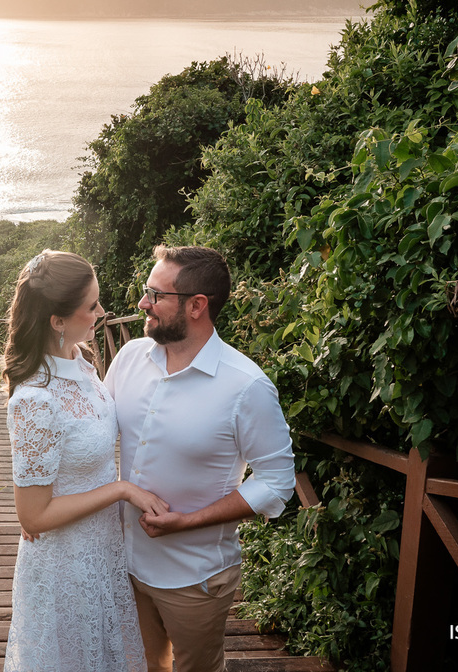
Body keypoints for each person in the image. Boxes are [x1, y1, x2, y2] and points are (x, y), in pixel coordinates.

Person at [106, 245, 296, 672]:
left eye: (155, 295)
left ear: (196, 305)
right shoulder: (130, 356)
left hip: (195, 578)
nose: (142, 304)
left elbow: (278, 479)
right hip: (124, 563)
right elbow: (93, 436)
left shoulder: (246, 387)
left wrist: (187, 521)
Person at [2, 249, 166, 672]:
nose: (102, 312)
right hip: (63, 565)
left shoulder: (82, 361)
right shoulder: (34, 401)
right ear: (57, 321)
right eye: (92, 306)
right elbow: (33, 516)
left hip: (103, 550)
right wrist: (122, 489)